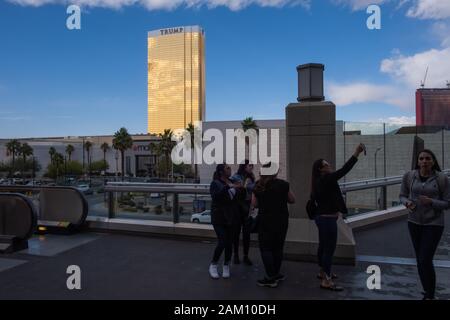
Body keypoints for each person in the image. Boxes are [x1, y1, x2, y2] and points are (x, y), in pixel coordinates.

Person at [311, 143, 365, 291]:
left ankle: (323, 272)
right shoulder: (327, 178)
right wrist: (356, 153)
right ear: (321, 169)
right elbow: (344, 170)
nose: (329, 166)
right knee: (329, 249)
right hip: (328, 219)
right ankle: (326, 281)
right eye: (326, 165)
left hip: (321, 218)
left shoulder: (317, 181)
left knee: (323, 246)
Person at [400, 149, 450, 300]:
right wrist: (407, 203)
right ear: (418, 161)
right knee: (419, 260)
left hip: (433, 224)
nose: (424, 161)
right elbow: (402, 195)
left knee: (425, 259)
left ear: (433, 161)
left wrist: (431, 202)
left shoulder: (442, 179)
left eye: (428, 158)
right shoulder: (409, 176)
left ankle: (430, 294)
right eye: (421, 159)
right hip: (414, 222)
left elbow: (447, 203)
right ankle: (427, 290)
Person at [252, 163, 295, 288]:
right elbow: (292, 200)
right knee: (278, 248)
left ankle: (270, 278)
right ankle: (276, 274)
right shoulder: (283, 184)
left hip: (265, 221)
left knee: (266, 249)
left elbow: (254, 204)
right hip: (281, 220)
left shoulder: (258, 186)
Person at [209, 164, 243, 279]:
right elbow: (217, 197)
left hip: (231, 217)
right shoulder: (215, 183)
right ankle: (213, 265)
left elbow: (239, 198)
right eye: (227, 168)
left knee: (229, 242)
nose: (230, 169)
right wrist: (230, 186)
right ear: (221, 172)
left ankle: (226, 265)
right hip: (219, 217)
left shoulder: (233, 181)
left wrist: (240, 188)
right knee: (222, 241)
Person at [231, 160, 256, 265]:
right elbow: (232, 187)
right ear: (244, 166)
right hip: (237, 207)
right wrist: (242, 185)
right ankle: (236, 255)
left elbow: (253, 190)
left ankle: (245, 256)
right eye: (249, 166)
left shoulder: (251, 177)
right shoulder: (236, 177)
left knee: (246, 233)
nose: (251, 167)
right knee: (236, 232)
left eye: (252, 166)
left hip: (247, 207)